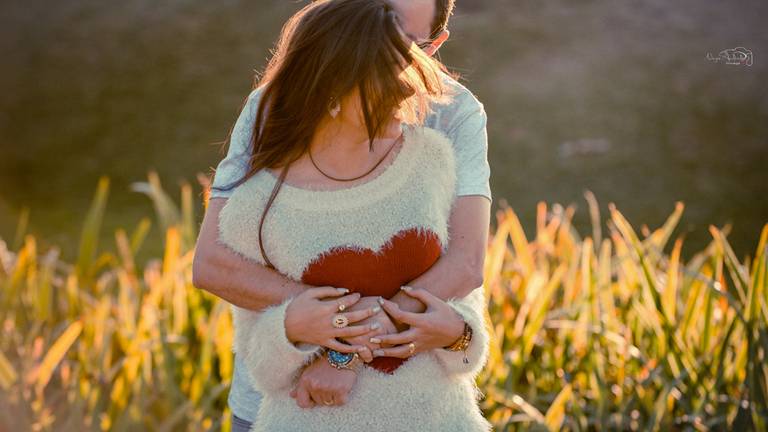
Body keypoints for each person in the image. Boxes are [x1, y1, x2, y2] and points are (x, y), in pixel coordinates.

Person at [191, 0, 492, 430]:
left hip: (422, 412)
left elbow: (465, 264)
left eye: (406, 42)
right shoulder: (271, 108)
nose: (404, 77)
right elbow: (215, 262)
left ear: (433, 45)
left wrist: (344, 352)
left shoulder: (452, 122)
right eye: (375, 17)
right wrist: (332, 328)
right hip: (292, 406)